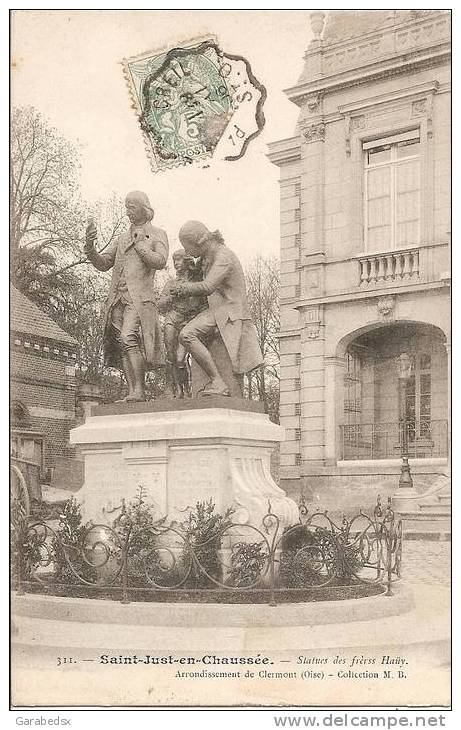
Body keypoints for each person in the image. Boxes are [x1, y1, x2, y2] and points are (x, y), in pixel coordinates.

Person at [84, 191, 168, 402]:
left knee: (128, 337)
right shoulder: (122, 238)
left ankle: (140, 390)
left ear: (144, 208)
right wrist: (90, 247)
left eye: (132, 207)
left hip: (139, 299)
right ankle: (133, 392)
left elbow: (160, 261)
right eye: (126, 207)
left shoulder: (157, 234)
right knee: (122, 343)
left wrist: (140, 245)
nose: (128, 211)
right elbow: (103, 264)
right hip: (118, 299)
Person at [170, 220, 263, 397]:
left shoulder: (223, 256)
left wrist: (182, 288)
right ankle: (215, 382)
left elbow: (208, 286)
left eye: (187, 247)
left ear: (198, 241)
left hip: (229, 311)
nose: (187, 252)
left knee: (186, 334)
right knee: (184, 335)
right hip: (218, 310)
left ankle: (219, 383)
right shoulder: (208, 257)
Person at [158, 249, 207, 397]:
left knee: (180, 359)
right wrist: (171, 297)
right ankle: (177, 390)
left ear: (186, 261)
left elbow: (203, 304)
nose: (176, 263)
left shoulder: (196, 283)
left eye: (179, 260)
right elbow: (160, 306)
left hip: (188, 321)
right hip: (172, 319)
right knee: (171, 356)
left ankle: (186, 389)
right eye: (174, 261)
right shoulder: (170, 283)